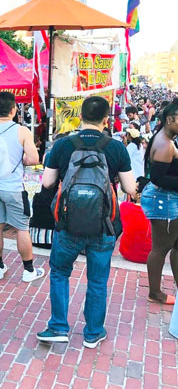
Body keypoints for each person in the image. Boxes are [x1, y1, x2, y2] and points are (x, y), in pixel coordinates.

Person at [37, 96, 136, 348]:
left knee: (59, 272)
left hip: (68, 223)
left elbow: (47, 183)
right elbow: (129, 188)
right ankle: (93, 333)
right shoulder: (116, 148)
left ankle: (58, 326)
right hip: (104, 225)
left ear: (80, 116)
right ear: (106, 119)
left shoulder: (62, 145)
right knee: (97, 280)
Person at [0, 91, 42, 283]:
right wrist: (23, 158)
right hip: (13, 188)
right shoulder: (22, 131)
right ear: (13, 110)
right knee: (21, 228)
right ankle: (28, 270)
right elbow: (34, 159)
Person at [141, 100, 178, 305]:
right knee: (161, 248)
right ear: (170, 119)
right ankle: (155, 292)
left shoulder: (166, 139)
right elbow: (158, 177)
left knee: (175, 245)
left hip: (167, 199)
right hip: (163, 200)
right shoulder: (165, 143)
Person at [119, 177, 151, 264]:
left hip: (126, 253)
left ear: (139, 194)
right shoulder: (156, 212)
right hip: (149, 256)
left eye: (135, 188)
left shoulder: (125, 207)